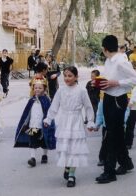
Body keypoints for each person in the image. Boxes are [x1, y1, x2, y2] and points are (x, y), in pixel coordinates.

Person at [44, 66, 95, 187]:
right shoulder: (61, 90)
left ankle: (72, 175)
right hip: (64, 121)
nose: (67, 78)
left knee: (75, 149)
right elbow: (54, 106)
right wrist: (49, 118)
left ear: (76, 77)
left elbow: (88, 107)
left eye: (70, 76)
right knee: (66, 148)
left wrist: (91, 121)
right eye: (65, 75)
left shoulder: (82, 90)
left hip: (76, 122)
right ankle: (67, 166)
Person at [95, 35, 136, 183]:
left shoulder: (121, 61)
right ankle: (126, 163)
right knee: (117, 133)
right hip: (108, 98)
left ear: (105, 49)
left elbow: (134, 79)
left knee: (111, 134)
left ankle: (109, 171)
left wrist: (115, 82)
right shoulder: (108, 60)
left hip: (118, 99)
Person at [14, 79, 56, 167]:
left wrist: (48, 122)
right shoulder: (31, 100)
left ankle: (45, 155)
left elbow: (49, 112)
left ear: (44, 89)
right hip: (32, 126)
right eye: (35, 88)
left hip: (43, 126)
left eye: (40, 88)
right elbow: (27, 113)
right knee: (32, 141)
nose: (37, 89)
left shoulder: (46, 100)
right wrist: (25, 124)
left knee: (45, 142)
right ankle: (32, 158)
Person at [95, 91, 130, 166]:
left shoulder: (120, 95)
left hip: (118, 125)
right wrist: (97, 125)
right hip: (106, 126)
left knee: (119, 143)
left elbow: (126, 111)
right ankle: (103, 158)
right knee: (106, 143)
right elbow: (100, 113)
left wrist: (123, 121)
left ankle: (124, 163)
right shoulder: (103, 99)